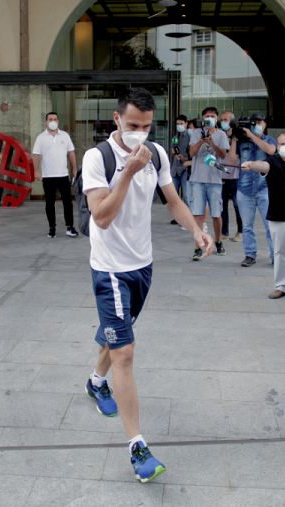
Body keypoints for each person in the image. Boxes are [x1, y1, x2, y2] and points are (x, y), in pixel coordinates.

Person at [81, 87, 213, 483]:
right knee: (125, 351)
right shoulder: (98, 157)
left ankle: (94, 382)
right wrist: (127, 171)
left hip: (142, 266)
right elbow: (101, 216)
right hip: (109, 270)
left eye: (147, 125)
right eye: (133, 125)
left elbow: (172, 199)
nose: (140, 132)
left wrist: (195, 230)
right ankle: (138, 447)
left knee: (116, 337)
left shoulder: (154, 153)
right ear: (117, 120)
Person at [242, 132, 285, 300]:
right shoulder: (273, 162)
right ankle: (281, 285)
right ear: (277, 147)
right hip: (278, 215)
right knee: (280, 252)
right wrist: (251, 163)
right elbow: (263, 166)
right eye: (281, 144)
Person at [233, 112, 277, 267]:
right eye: (255, 122)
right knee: (246, 225)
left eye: (260, 122)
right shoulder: (241, 141)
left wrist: (252, 136)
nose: (258, 124)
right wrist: (234, 137)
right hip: (244, 189)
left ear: (265, 124)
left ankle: (275, 255)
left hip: (264, 188)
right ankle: (249, 254)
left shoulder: (269, 139)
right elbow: (232, 159)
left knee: (270, 225)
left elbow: (271, 151)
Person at [187, 106, 228, 259]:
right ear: (202, 118)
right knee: (197, 215)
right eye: (207, 116)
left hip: (215, 180)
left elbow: (223, 155)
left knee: (216, 215)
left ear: (216, 118)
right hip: (197, 179)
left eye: (212, 116)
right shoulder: (196, 132)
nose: (209, 118)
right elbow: (191, 153)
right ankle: (198, 246)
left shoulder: (222, 134)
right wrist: (201, 141)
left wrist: (212, 143)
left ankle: (218, 241)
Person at [32, 112, 78, 238]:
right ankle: (52, 228)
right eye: (50, 119)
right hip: (48, 176)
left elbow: (71, 153)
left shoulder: (65, 136)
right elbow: (36, 155)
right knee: (49, 203)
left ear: (58, 121)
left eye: (55, 119)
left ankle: (70, 227)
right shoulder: (41, 138)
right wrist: (36, 171)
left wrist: (74, 169)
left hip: (63, 175)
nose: (53, 121)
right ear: (46, 122)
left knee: (67, 202)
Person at [219, 110, 243, 242]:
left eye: (226, 120)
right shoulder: (219, 135)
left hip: (236, 176)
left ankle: (240, 231)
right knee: (222, 206)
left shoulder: (238, 137)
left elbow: (234, 158)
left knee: (237, 205)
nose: (223, 122)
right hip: (222, 175)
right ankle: (224, 232)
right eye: (222, 120)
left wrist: (234, 138)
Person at [169, 114, 191, 214]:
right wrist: (173, 152)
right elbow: (173, 150)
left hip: (185, 169)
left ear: (186, 124)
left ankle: (188, 216)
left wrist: (184, 158)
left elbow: (193, 155)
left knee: (186, 195)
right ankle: (178, 217)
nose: (179, 126)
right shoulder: (175, 137)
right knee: (174, 195)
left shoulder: (190, 137)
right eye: (177, 124)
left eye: (181, 124)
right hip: (175, 168)